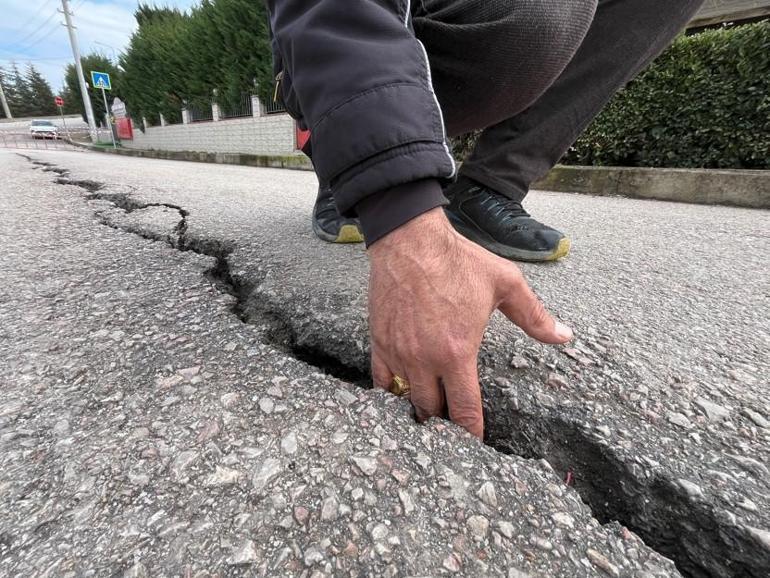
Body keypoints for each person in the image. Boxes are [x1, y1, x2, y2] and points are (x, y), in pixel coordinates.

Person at [266, 0, 704, 438]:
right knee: (534, 19)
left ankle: (490, 184)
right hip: (341, 28)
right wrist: (399, 210)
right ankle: (343, 161)